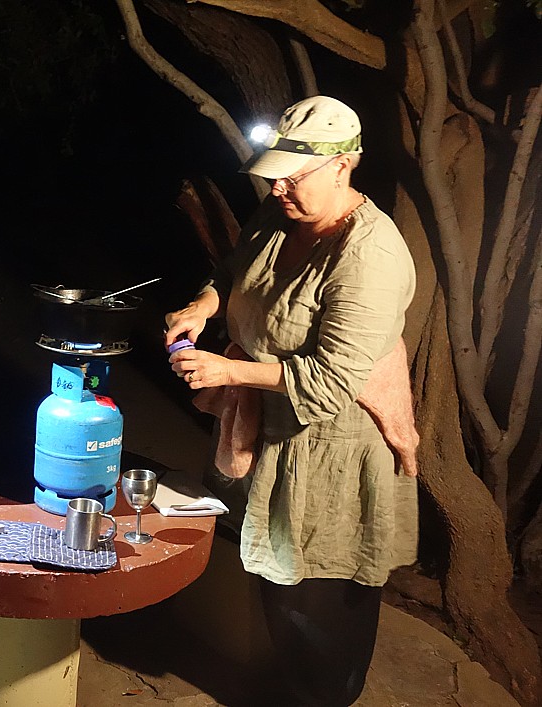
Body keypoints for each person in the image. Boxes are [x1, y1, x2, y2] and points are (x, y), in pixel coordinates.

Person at [164, 95, 419, 706]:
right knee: (278, 588)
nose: (278, 188)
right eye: (273, 175)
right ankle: (292, 687)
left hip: (330, 445)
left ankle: (325, 694)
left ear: (343, 165)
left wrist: (228, 369)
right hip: (270, 426)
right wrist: (201, 308)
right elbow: (233, 273)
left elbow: (330, 382)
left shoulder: (371, 256)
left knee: (318, 599)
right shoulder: (281, 215)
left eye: (292, 177)